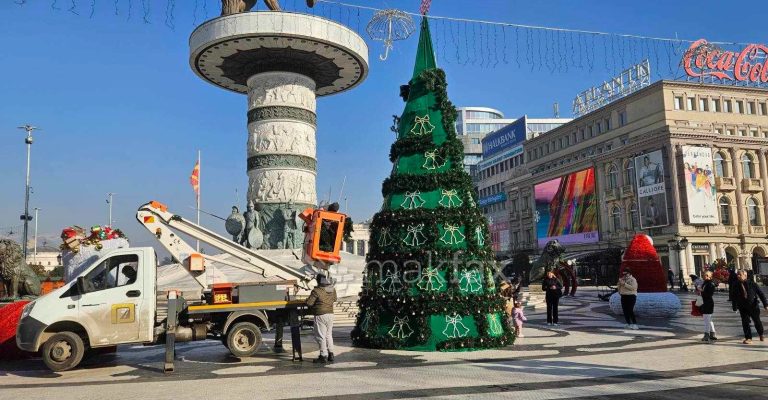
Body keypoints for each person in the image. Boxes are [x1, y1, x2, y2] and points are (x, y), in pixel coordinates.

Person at [306, 274, 337, 363]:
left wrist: (306, 300)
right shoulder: (332, 289)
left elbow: (309, 303)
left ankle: (323, 356)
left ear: (318, 281)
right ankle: (331, 354)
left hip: (320, 315)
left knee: (321, 336)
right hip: (330, 314)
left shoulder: (316, 291)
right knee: (328, 335)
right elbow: (335, 299)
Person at [732, 270, 768, 344]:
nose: (738, 276)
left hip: (753, 306)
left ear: (745, 275)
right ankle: (748, 338)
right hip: (742, 306)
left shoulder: (752, 284)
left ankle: (761, 333)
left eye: (740, 274)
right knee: (745, 322)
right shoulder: (735, 284)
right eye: (737, 274)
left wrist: (766, 305)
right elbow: (734, 296)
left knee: (757, 321)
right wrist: (734, 307)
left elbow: (761, 294)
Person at [700, 270, 718, 343]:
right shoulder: (704, 283)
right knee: (708, 319)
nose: (705, 276)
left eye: (707, 275)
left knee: (707, 319)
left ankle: (706, 334)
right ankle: (712, 333)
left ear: (710, 276)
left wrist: (701, 291)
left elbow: (709, 294)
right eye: (704, 275)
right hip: (704, 302)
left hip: (708, 302)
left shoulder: (711, 284)